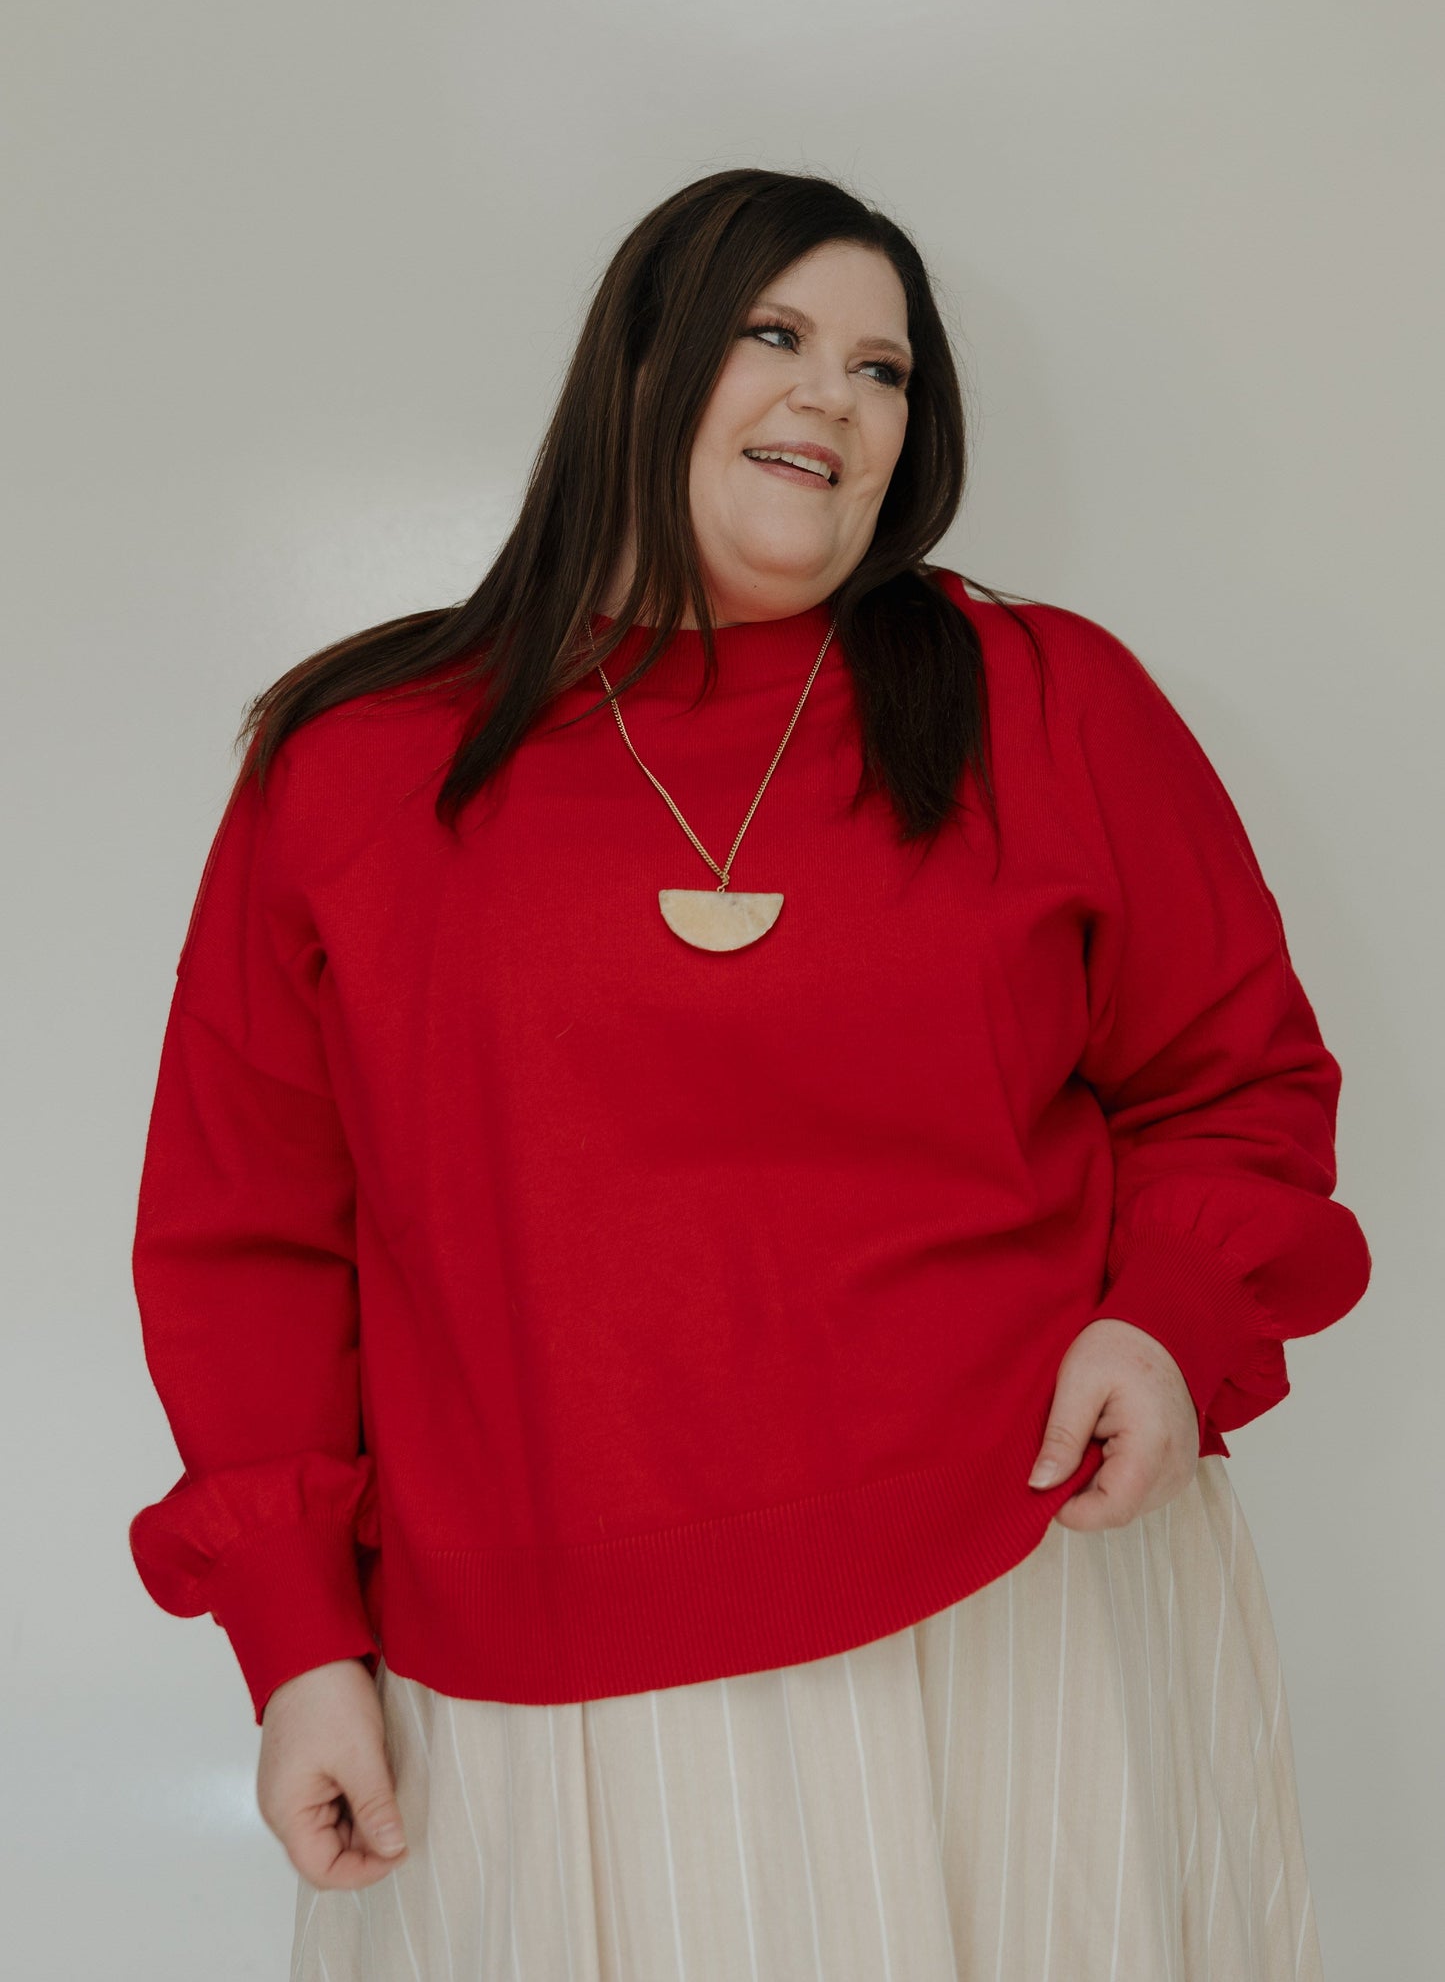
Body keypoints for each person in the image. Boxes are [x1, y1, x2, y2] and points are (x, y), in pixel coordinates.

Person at [127, 167, 1371, 1981]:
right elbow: (247, 1231)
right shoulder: (362, 761)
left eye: (886, 373)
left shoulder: (1046, 701)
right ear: (637, 371)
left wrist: (1164, 1321)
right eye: (772, 336)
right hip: (551, 1657)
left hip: (1020, 1593)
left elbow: (1233, 1076)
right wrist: (302, 1643)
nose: (832, 399)